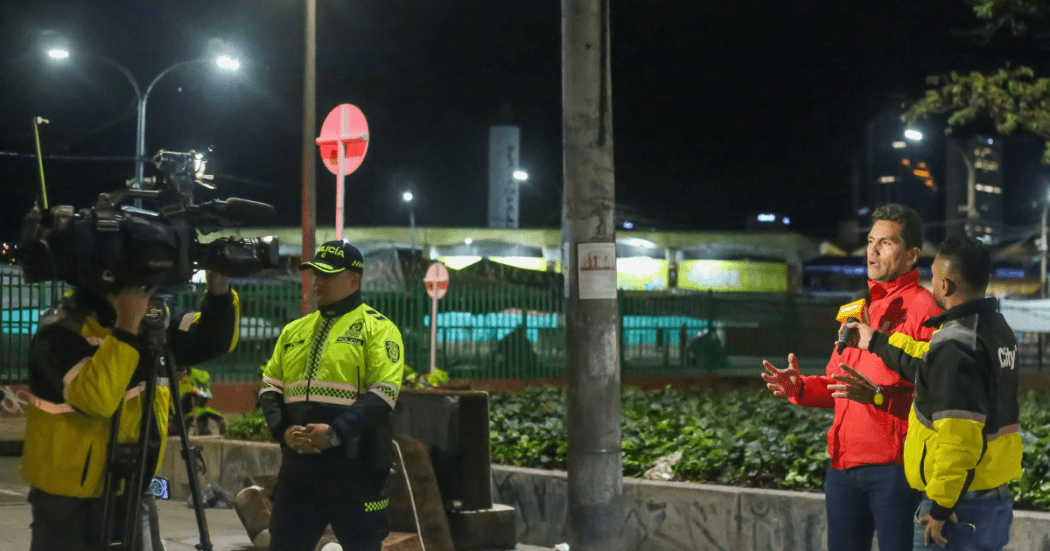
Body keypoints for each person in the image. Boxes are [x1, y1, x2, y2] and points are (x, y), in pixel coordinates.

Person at [761, 204, 941, 551]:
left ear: (911, 255)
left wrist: (879, 395)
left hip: (895, 469)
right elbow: (837, 384)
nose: (872, 251)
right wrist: (798, 387)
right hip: (843, 469)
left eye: (885, 243)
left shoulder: (925, 308)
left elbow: (936, 392)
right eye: (871, 241)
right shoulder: (858, 309)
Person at [21, 271, 239, 551]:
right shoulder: (60, 329)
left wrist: (219, 291)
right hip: (67, 497)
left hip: (134, 486)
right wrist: (127, 326)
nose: (142, 294)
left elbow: (214, 340)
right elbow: (97, 399)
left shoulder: (154, 322)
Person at [831, 236, 1020, 550]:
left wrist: (941, 507)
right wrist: (875, 341)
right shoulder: (995, 329)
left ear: (945, 285)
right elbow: (930, 359)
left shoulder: (956, 345)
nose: (930, 284)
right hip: (991, 496)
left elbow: (958, 436)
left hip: (958, 506)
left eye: (932, 276)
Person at [258, 239, 405, 551]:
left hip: (357, 470)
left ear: (354, 280)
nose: (317, 282)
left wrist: (336, 433)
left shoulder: (378, 329)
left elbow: (384, 394)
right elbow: (270, 387)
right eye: (315, 274)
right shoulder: (293, 330)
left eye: (327, 275)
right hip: (299, 470)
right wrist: (283, 431)